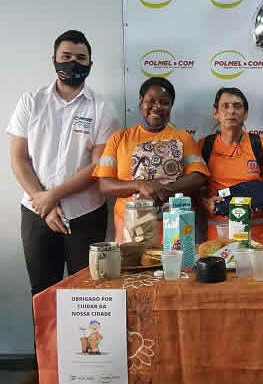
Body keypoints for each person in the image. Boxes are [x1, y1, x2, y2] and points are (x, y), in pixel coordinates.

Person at [6, 30, 119, 295]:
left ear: (90, 64)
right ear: (54, 60)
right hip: (36, 212)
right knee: (42, 291)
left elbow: (98, 166)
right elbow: (19, 158)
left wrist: (52, 197)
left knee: (86, 292)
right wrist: (43, 202)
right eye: (66, 56)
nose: (73, 63)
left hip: (85, 213)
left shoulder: (102, 108)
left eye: (80, 58)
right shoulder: (31, 102)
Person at [93, 77, 208, 242]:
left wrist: (164, 190)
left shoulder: (183, 138)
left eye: (164, 102)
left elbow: (198, 176)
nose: (157, 106)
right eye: (151, 101)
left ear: (171, 106)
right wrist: (139, 185)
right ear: (141, 102)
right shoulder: (120, 138)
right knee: (134, 260)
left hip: (176, 229)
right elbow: (104, 185)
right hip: (131, 230)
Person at [199, 87, 263, 244]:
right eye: (225, 106)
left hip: (258, 239)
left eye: (237, 106)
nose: (231, 111)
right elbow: (196, 192)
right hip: (218, 241)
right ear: (216, 113)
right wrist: (206, 203)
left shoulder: (261, 144)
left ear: (245, 114)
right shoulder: (204, 146)